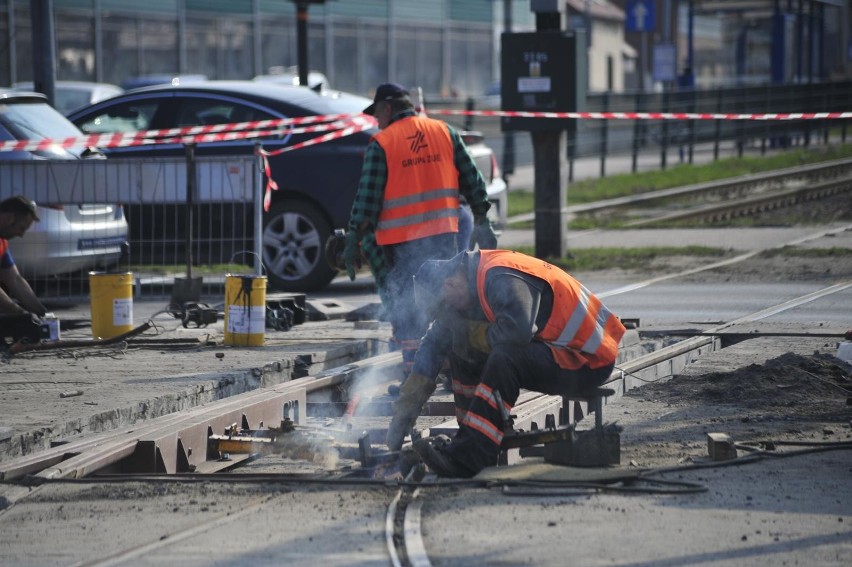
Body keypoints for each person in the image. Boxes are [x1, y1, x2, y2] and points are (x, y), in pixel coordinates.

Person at [385, 249, 627, 478]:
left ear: (449, 284)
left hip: (586, 359)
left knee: (503, 356)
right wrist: (404, 411)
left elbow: (517, 332)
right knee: (461, 342)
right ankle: (471, 438)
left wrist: (468, 333)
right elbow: (433, 348)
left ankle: (469, 458)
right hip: (559, 354)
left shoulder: (499, 276)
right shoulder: (469, 287)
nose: (447, 316)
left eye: (444, 309)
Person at [343, 82, 497, 383]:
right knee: (445, 301)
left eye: (377, 114)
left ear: (387, 109)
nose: (377, 120)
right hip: (444, 238)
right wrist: (482, 219)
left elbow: (367, 200)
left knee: (407, 311)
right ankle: (454, 370)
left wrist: (353, 237)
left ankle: (416, 379)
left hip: (400, 245)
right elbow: (473, 180)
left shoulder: (383, 142)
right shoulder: (445, 132)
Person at [0, 196, 48, 320]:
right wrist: (20, 314)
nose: (21, 235)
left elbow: (15, 280)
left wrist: (42, 314)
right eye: (21, 228)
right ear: (9, 218)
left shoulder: (2, 243)